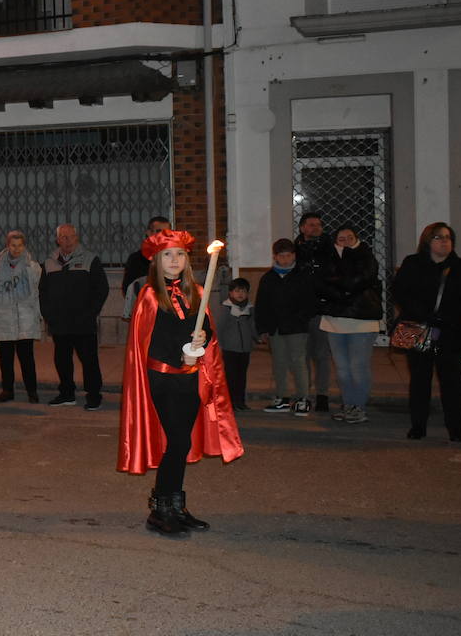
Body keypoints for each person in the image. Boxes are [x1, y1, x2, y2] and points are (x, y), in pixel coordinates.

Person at [118, 229, 243, 538]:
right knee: (177, 442)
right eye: (167, 255)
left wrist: (204, 338)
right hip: (161, 378)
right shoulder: (149, 295)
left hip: (190, 380)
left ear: (187, 261)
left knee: (181, 442)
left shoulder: (197, 293)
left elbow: (207, 331)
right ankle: (160, 511)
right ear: (157, 262)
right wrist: (181, 355)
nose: (174, 260)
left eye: (180, 255)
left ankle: (176, 506)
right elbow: (148, 341)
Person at [391, 223, 461, 441]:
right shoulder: (413, 264)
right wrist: (423, 315)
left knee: (451, 382)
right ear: (427, 241)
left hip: (451, 333)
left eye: (448, 238)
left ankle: (455, 427)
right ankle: (418, 426)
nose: (444, 242)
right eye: (439, 237)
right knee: (420, 381)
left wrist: (450, 318)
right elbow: (401, 293)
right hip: (420, 329)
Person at [40, 223, 110, 410]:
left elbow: (101, 290)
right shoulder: (49, 262)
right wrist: (48, 315)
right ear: (57, 240)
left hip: (83, 324)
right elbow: (42, 292)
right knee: (62, 360)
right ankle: (66, 393)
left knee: (89, 361)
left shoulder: (90, 260)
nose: (67, 240)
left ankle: (94, 395)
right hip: (59, 323)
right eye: (63, 237)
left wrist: (91, 313)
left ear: (77, 238)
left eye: (70, 236)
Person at [318, 225, 382, 425]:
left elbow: (361, 279)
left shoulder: (365, 256)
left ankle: (358, 406)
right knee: (342, 368)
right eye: (341, 238)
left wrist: (343, 287)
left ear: (357, 239)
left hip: (362, 320)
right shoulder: (329, 258)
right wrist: (341, 289)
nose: (345, 241)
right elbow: (322, 282)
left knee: (358, 366)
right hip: (335, 320)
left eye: (349, 237)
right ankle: (348, 404)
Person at [254, 239, 317, 415]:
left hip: (296, 327)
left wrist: (300, 318)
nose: (285, 259)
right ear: (275, 257)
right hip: (275, 328)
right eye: (281, 256)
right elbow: (262, 305)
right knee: (279, 363)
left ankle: (303, 398)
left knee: (298, 362)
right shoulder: (268, 278)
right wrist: (262, 328)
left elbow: (310, 303)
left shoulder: (302, 276)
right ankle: (282, 397)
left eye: (289, 255)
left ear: (294, 256)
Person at [0, 230, 43, 403]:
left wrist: (36, 311)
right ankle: (7, 390)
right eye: (13, 245)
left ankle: (32, 391)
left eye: (20, 245)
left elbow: (40, 289)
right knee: (6, 360)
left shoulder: (32, 267)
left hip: (25, 318)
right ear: (8, 246)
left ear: (24, 246)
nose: (16, 249)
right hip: (4, 318)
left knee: (27, 359)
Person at [294, 212, 337, 413]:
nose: (315, 228)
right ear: (302, 228)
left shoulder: (329, 248)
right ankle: (304, 394)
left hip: (321, 309)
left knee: (321, 355)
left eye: (319, 225)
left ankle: (322, 395)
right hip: (301, 310)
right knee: (302, 356)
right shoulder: (294, 250)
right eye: (311, 225)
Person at [214, 277, 258, 411]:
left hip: (245, 349)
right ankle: (230, 402)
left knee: (241, 376)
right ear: (230, 293)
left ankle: (240, 401)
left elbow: (252, 326)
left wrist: (258, 337)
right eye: (237, 291)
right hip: (229, 349)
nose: (240, 294)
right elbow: (218, 328)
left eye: (243, 291)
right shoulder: (225, 309)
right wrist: (218, 346)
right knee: (230, 377)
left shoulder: (249, 309)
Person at [122, 216, 171, 297]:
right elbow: (128, 288)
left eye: (167, 232)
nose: (163, 236)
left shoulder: (174, 258)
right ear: (149, 233)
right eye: (159, 231)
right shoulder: (136, 259)